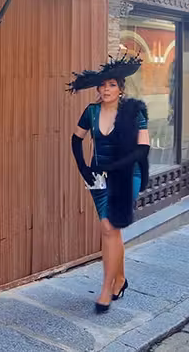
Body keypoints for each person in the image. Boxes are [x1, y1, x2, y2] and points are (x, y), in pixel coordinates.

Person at [68, 55, 150, 313]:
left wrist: (114, 169)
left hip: (127, 176)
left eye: (112, 84)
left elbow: (142, 149)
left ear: (121, 88)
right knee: (112, 231)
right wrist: (84, 169)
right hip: (99, 178)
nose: (106, 89)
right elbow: (75, 139)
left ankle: (106, 289)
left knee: (108, 226)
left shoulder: (134, 112)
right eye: (102, 85)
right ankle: (121, 280)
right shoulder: (91, 113)